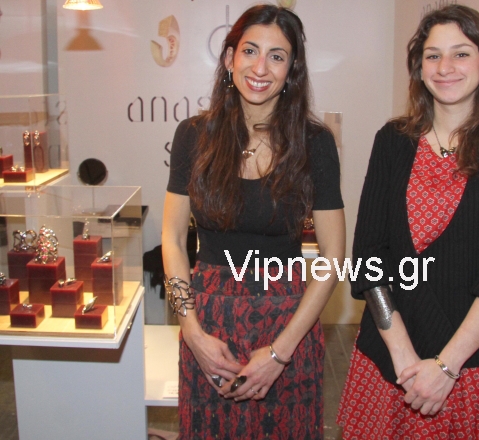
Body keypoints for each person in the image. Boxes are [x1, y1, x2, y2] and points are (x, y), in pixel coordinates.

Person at [337, 5, 479, 438]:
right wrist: (403, 356)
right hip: (389, 362)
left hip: (469, 369)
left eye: (461, 53)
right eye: (433, 55)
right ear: (419, 66)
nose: (445, 67)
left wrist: (446, 367)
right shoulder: (392, 141)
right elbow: (369, 259)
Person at [162, 5, 345, 439]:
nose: (260, 68)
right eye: (250, 51)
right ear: (230, 58)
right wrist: (192, 331)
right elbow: (172, 238)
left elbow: (334, 256)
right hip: (208, 325)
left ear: (292, 69)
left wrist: (280, 353)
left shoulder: (315, 143)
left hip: (289, 327)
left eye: (277, 56)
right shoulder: (193, 135)